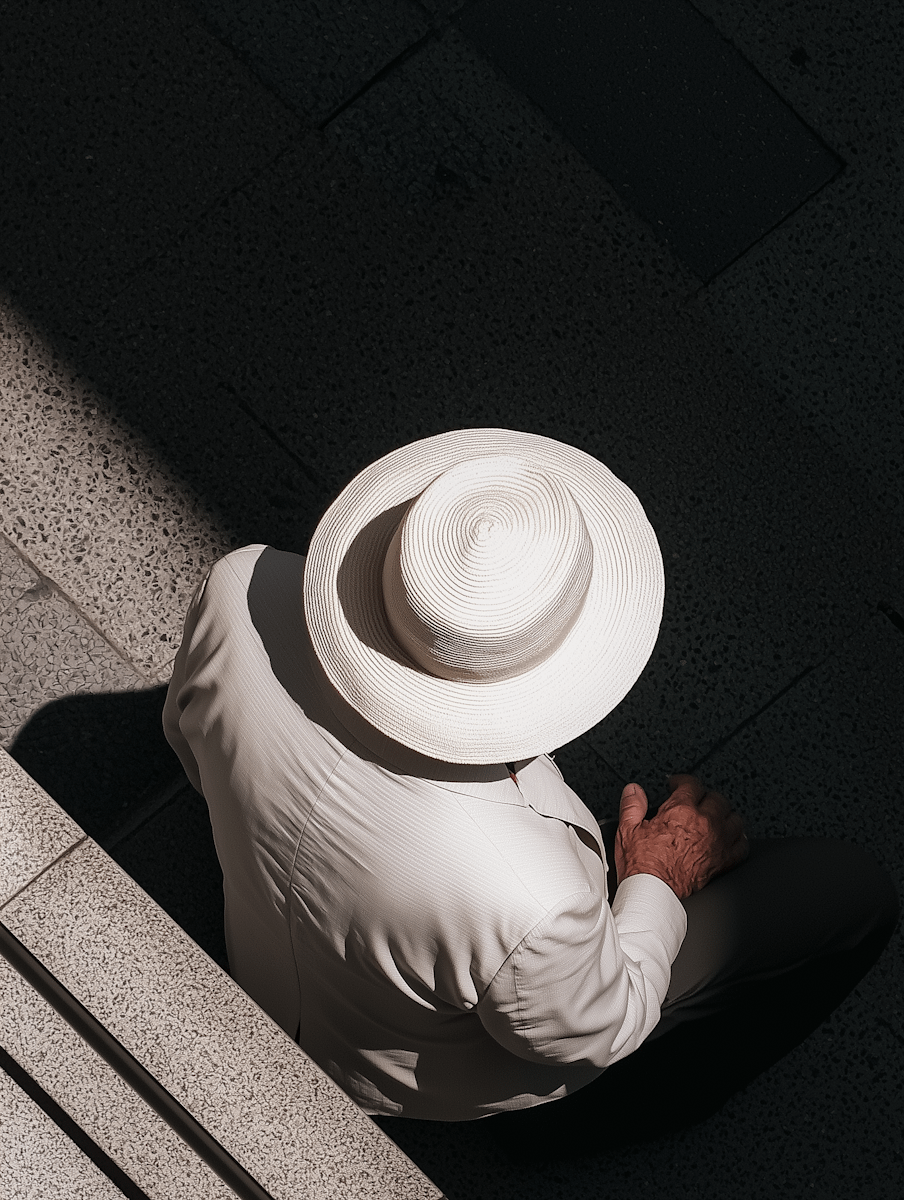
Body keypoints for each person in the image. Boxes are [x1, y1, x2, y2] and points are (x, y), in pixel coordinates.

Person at [162, 428, 897, 1152]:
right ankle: (635, 1116)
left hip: (264, 958)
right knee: (850, 893)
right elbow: (599, 1024)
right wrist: (657, 879)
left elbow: (191, 746)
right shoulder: (530, 899)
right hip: (398, 1078)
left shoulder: (241, 588)